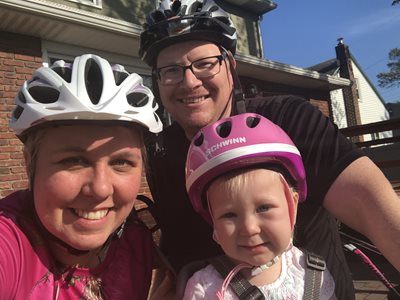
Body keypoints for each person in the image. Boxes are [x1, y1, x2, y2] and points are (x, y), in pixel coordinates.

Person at [139, 0, 400, 299]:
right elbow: (177, 242)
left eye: (205, 63)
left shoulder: (288, 119)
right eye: (171, 71)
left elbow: (368, 201)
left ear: (230, 66)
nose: (189, 81)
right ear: (158, 82)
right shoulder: (160, 150)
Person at [0, 54, 162, 299]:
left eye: (121, 162)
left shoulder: (135, 241)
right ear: (29, 164)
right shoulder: (10, 244)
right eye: (73, 161)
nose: (99, 189)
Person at [183, 113, 335, 299]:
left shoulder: (312, 274)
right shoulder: (205, 289)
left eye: (263, 208)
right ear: (213, 222)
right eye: (229, 214)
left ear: (292, 206)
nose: (249, 228)